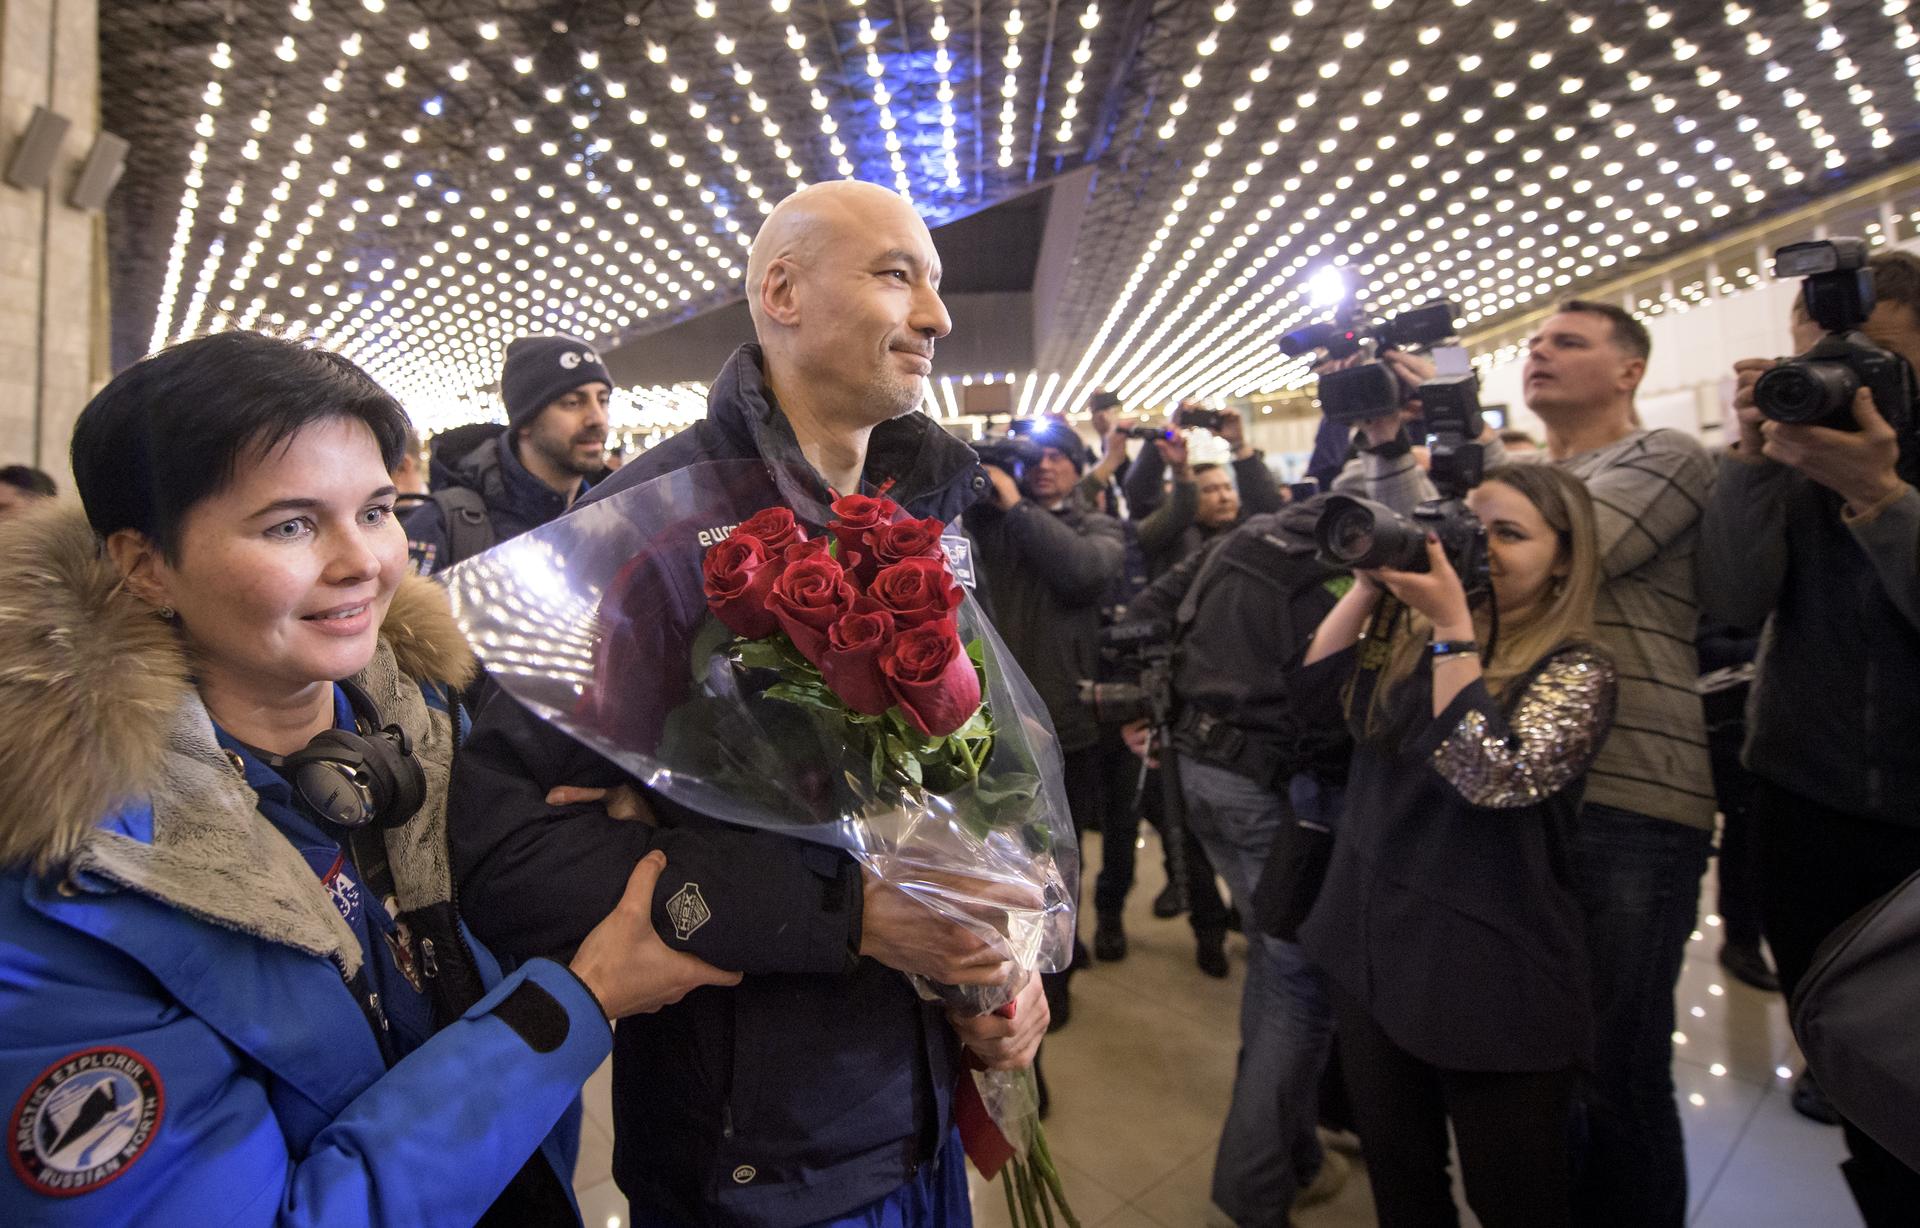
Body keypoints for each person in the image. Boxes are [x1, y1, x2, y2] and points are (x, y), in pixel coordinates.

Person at [0, 331, 737, 1225]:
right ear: (146, 566)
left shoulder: (436, 726)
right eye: (291, 525)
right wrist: (575, 1005)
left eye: (378, 510)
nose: (363, 562)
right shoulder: (78, 885)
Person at [452, 181, 1048, 1228]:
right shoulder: (646, 532)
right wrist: (845, 912)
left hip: (922, 1119)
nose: (938, 317)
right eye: (897, 276)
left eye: (937, 283)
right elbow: (507, 855)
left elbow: (979, 783)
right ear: (783, 292)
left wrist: (1007, 964)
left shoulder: (924, 514)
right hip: (758, 1166)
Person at [1298, 465, 1617, 1228]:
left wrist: (1451, 629)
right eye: (1475, 527)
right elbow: (1312, 701)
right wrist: (1370, 586)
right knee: (1402, 1174)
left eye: (1511, 534)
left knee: (1515, 1199)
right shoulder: (1412, 633)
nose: (1483, 547)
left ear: (1565, 559)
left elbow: (1488, 775)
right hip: (1373, 943)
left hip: (1489, 971)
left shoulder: (1578, 666)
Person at [1698, 251, 1920, 1224]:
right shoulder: (1795, 455)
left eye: (1878, 362)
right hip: (1802, 802)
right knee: (1855, 1081)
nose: (1844, 378)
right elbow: (1731, 600)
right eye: (1823, 357)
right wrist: (1752, 459)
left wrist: (1885, 496)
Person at [1119, 496, 1356, 1224]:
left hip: (1199, 769)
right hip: (1267, 788)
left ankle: (1298, 1157)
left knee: (1276, 965)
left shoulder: (1245, 538)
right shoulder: (1341, 564)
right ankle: (1251, 1191)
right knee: (1299, 986)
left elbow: (1142, 613)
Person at [965, 416, 1125, 1024]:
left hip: (1070, 723)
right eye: (1035, 458)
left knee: (1064, 854)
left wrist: (1016, 505)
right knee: (1013, 856)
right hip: (1002, 723)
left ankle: (1058, 975)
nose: (1046, 466)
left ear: (1080, 468)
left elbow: (1083, 572)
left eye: (1059, 456)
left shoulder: (1096, 526)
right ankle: (1026, 968)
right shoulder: (990, 524)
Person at [402, 335, 612, 574]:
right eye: (573, 403)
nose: (598, 418)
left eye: (603, 400)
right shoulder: (442, 525)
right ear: (525, 421)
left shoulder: (613, 515)